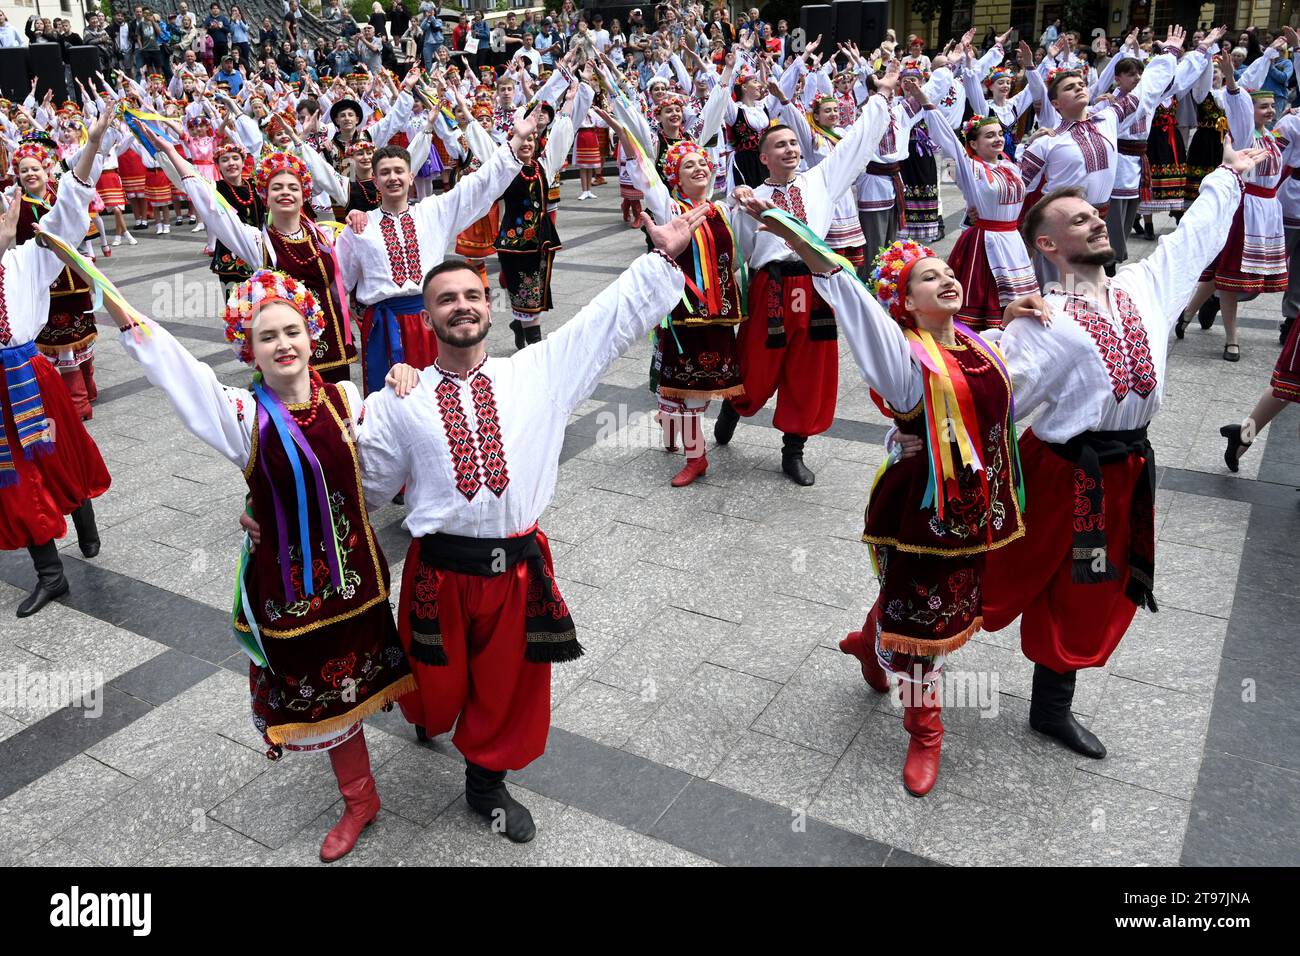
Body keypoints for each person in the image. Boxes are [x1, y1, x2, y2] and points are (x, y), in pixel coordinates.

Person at [333, 203, 707, 842]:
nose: (461, 306)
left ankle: (487, 784)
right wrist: (276, 511)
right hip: (437, 573)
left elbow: (602, 323)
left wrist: (661, 258)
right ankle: (429, 715)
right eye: (445, 299)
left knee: (508, 685)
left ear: (490, 304)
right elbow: (361, 486)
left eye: (472, 295)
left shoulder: (537, 372)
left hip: (516, 570)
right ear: (427, 317)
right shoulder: (399, 400)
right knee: (431, 685)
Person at [56, 255, 417, 862]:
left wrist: (409, 375)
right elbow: (178, 372)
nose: (282, 344)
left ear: (312, 334)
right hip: (292, 592)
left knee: (380, 670)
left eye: (291, 331)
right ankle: (361, 798)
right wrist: (105, 291)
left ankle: (433, 730)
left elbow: (387, 466)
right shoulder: (244, 416)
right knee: (325, 699)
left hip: (360, 580)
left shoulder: (350, 399)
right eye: (266, 336)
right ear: (247, 348)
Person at [982, 142, 1267, 759]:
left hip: (1120, 476)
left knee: (1089, 585)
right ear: (1048, 246)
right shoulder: (1042, 319)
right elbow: (985, 385)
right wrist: (977, 327)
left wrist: (1228, 175)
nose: (1094, 220)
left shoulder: (1144, 286)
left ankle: (1049, 709)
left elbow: (1194, 235)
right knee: (985, 575)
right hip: (1056, 473)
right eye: (1076, 219)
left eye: (1094, 213)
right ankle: (891, 643)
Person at [715, 73, 894, 486]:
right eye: (780, 145)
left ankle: (793, 451)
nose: (791, 149)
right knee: (755, 364)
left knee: (809, 372)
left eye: (794, 142)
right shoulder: (751, 196)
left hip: (816, 286)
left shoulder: (821, 180)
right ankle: (733, 408)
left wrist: (881, 95)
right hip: (771, 288)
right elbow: (738, 251)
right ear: (763, 158)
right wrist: (738, 206)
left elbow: (857, 142)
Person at [336, 108, 542, 394]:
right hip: (383, 324)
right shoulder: (359, 227)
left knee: (439, 391)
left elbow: (477, 185)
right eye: (384, 173)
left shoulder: (433, 211)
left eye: (399, 171)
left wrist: (515, 142)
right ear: (375, 179)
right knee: (389, 397)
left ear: (410, 177)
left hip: (431, 318)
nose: (392, 178)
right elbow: (339, 284)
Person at [2, 107, 114, 619]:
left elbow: (68, 214)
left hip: (29, 375)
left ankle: (82, 511)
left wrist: (89, 147)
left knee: (55, 456)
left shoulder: (26, 258)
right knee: (12, 478)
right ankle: (51, 574)